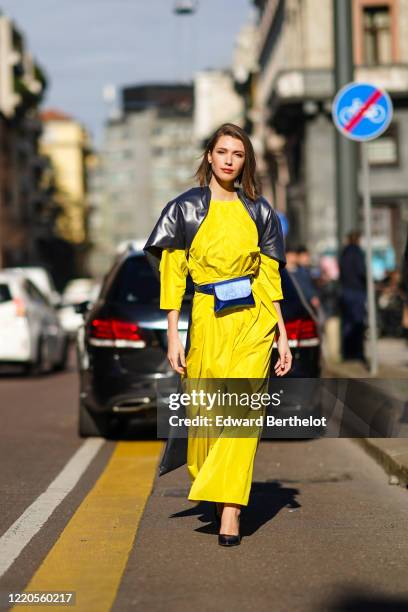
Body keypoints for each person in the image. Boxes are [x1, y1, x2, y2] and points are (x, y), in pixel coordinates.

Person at [144, 123, 292, 547]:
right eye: (222, 151)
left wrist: (281, 334)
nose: (229, 159)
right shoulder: (184, 209)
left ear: (246, 161)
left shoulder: (259, 210)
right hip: (207, 321)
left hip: (253, 323)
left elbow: (269, 279)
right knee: (208, 420)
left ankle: (230, 513)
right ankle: (214, 483)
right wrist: (174, 335)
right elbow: (173, 277)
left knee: (244, 416)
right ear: (209, 156)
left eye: (238, 154)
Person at [339, 230, 368, 365]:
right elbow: (362, 271)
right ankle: (358, 353)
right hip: (357, 291)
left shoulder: (344, 253)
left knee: (347, 323)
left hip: (345, 291)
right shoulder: (358, 253)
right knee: (358, 322)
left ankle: (346, 353)